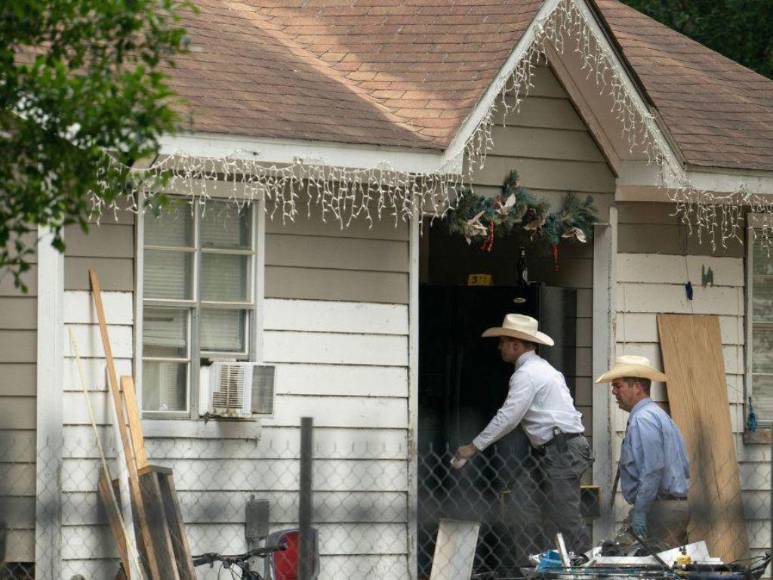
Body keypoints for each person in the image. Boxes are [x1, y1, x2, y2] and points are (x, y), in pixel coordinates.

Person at [453, 313, 591, 556]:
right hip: (551, 449)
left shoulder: (526, 374)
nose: (500, 347)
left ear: (515, 345)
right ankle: (538, 563)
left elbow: (509, 417)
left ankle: (583, 562)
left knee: (565, 515)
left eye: (503, 342)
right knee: (523, 503)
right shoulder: (540, 369)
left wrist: (473, 447)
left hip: (560, 449)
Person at [595, 355, 690, 548]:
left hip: (659, 509)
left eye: (618, 386)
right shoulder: (658, 415)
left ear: (637, 387)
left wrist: (641, 510)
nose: (613, 391)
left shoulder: (643, 419)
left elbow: (653, 468)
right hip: (669, 506)